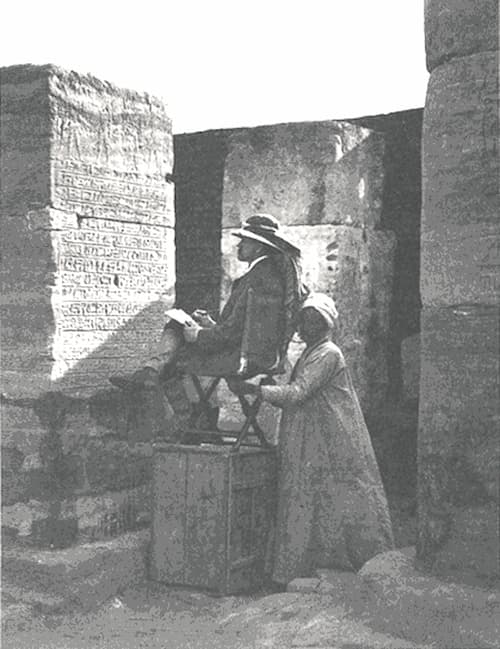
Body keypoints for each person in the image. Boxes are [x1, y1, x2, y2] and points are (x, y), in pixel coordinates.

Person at [234, 292, 394, 584]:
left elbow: (298, 393)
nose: (301, 329)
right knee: (307, 494)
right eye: (302, 322)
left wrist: (257, 391)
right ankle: (304, 565)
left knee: (340, 492)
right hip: (312, 432)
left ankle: (366, 559)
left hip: (332, 434)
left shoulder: (329, 353)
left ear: (323, 324)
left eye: (309, 323)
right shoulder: (311, 352)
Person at [110, 214, 306, 395]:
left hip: (245, 359)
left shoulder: (260, 279)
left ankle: (154, 383)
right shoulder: (263, 275)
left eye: (245, 241)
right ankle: (152, 378)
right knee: (177, 333)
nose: (239, 246)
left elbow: (237, 334)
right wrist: (210, 324)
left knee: (176, 354)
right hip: (249, 352)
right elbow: (245, 327)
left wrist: (199, 334)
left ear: (259, 247)